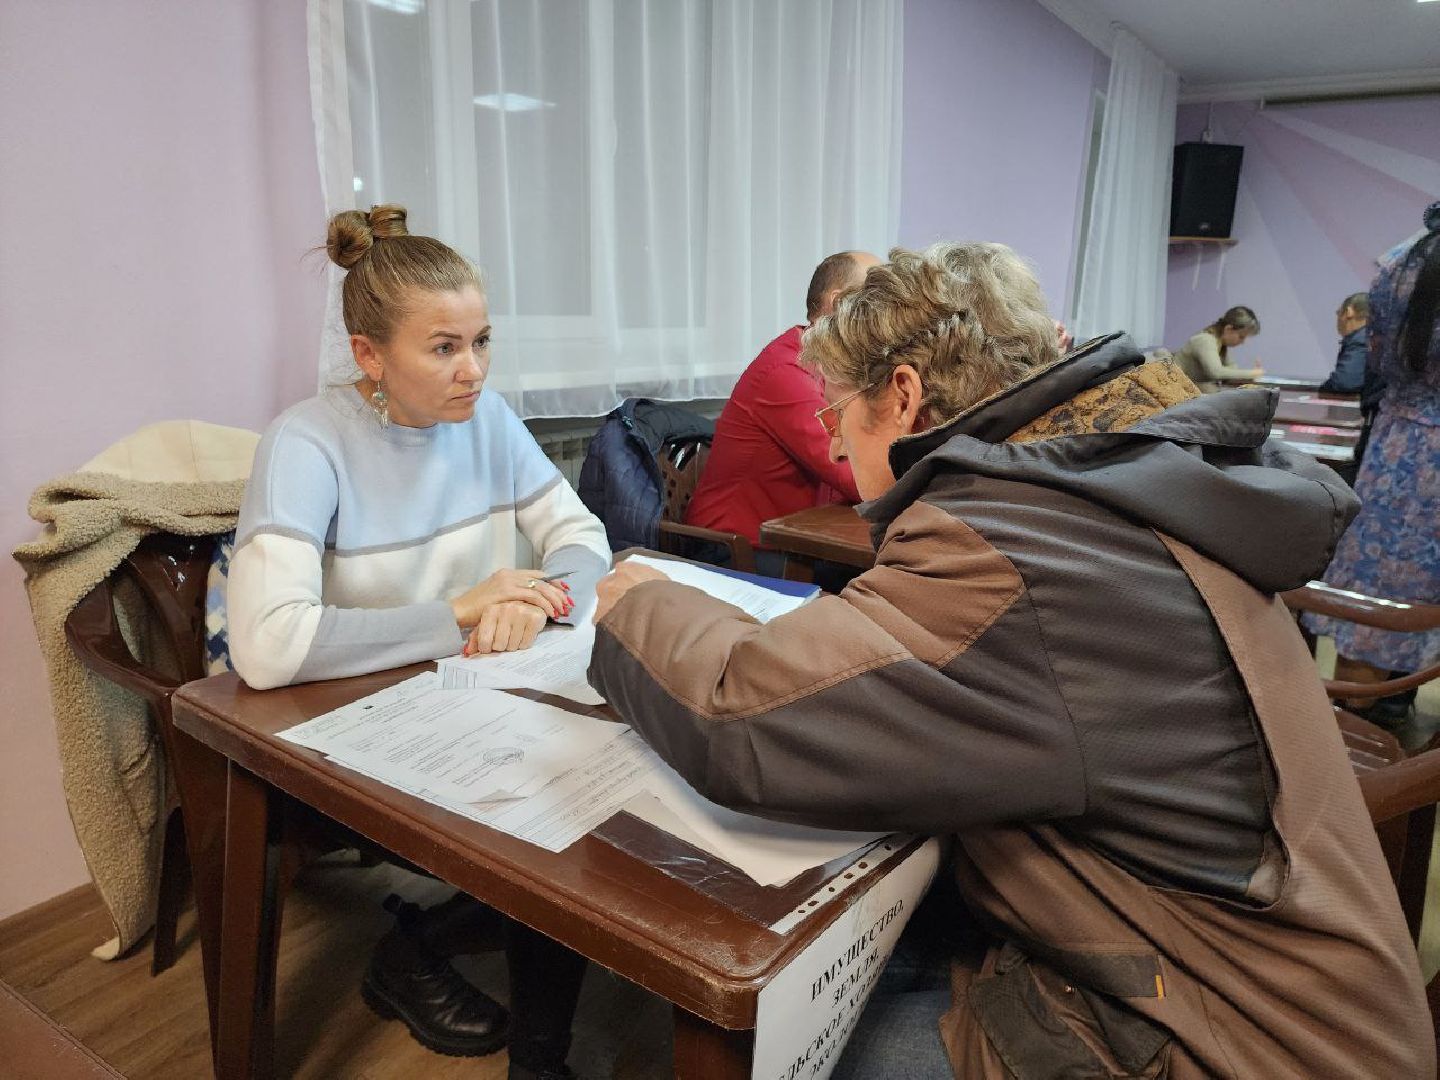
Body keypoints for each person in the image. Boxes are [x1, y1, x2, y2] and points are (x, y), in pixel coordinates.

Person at [586, 243, 1431, 1077]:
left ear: (904, 396)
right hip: (1263, 981)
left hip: (1222, 1034)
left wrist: (639, 604)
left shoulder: (1008, 545)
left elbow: (741, 717)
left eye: (836, 411)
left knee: (775, 1039)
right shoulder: (1128, 470)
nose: (835, 446)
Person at [228, 205, 609, 1080]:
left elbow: (583, 539)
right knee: (555, 812)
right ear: (369, 355)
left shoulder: (489, 419)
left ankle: (466, 987)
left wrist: (539, 598)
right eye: (443, 347)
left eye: (481, 341)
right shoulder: (306, 443)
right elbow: (267, 646)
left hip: (467, 688)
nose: (471, 370)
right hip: (351, 716)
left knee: (598, 783)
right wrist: (463, 611)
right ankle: (533, 1056)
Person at [1306, 201, 1440, 727]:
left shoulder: (1401, 261)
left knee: (1372, 613)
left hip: (1401, 452)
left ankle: (1354, 747)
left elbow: (1382, 362)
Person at [683, 251, 877, 574]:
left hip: (798, 537)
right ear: (839, 301)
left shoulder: (833, 367)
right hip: (730, 550)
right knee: (878, 575)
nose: (882, 312)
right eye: (873, 298)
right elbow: (854, 474)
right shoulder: (786, 372)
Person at [1172, 304, 1263, 392]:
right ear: (1228, 329)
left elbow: (1232, 372)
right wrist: (1253, 374)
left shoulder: (1221, 345)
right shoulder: (1205, 340)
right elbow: (1215, 372)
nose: (1243, 342)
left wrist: (1249, 379)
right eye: (1241, 336)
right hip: (1176, 391)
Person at [1317, 291, 1370, 394]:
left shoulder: (1360, 341)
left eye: (1338, 313)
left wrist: (1323, 389)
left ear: (1349, 312)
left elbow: (1345, 382)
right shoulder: (1374, 337)